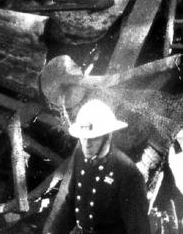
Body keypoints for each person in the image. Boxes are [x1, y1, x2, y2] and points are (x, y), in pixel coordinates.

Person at [55, 99, 151, 234]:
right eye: (83, 138)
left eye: (93, 138)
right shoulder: (80, 155)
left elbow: (139, 230)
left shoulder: (128, 173)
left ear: (108, 137)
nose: (86, 144)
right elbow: (71, 203)